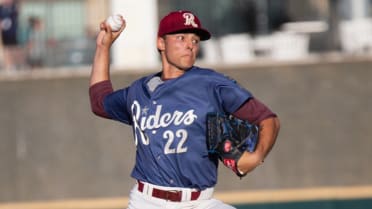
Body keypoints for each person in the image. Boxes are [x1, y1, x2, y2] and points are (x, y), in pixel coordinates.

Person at [89, 10, 280, 209]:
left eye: (195, 40)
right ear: (161, 43)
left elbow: (268, 119)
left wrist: (257, 156)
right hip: (147, 202)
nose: (190, 45)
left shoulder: (213, 85)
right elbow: (99, 102)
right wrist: (103, 46)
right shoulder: (139, 91)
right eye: (181, 38)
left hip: (200, 202)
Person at [0, 0, 19, 71]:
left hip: (12, 32)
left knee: (12, 48)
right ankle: (7, 64)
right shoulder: (1, 8)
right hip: (3, 34)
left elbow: (11, 20)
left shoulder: (14, 7)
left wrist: (3, 24)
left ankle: (12, 64)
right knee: (5, 49)